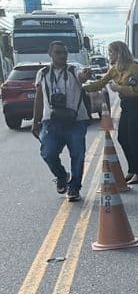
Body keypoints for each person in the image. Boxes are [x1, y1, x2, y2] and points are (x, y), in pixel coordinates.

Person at [31, 41, 92, 202]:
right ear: (50, 53)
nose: (62, 56)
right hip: (51, 122)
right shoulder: (43, 73)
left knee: (77, 155)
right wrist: (35, 121)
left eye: (65, 53)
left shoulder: (73, 70)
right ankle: (61, 176)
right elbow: (39, 97)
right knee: (48, 153)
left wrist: (86, 74)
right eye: (58, 52)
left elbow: (83, 76)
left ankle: (74, 188)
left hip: (76, 121)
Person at [84, 41, 138, 184]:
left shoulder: (134, 68)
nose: (109, 56)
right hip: (127, 104)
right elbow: (101, 83)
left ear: (119, 53)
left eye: (111, 52)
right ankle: (133, 169)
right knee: (123, 138)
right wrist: (82, 86)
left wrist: (118, 88)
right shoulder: (114, 69)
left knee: (135, 139)